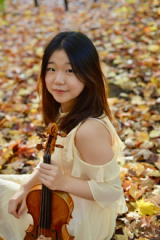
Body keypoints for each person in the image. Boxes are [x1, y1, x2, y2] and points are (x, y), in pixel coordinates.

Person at [0, 31, 128, 240]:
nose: (58, 80)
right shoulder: (66, 111)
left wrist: (64, 182)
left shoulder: (89, 130)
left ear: (89, 74)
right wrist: (25, 187)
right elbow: (55, 168)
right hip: (61, 198)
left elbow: (113, 193)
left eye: (70, 70)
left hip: (77, 221)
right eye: (51, 69)